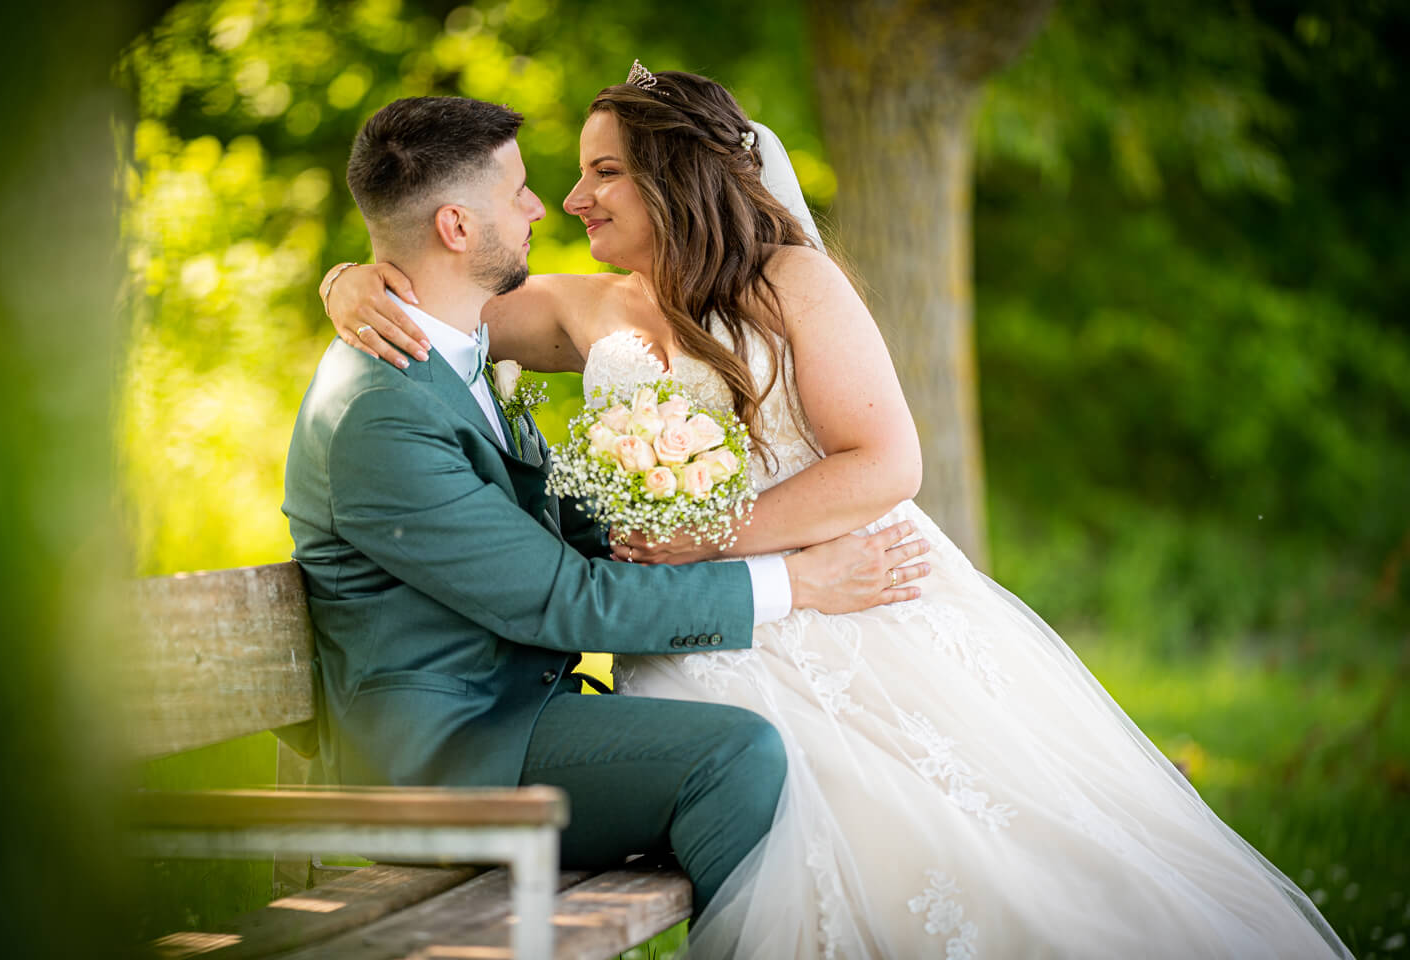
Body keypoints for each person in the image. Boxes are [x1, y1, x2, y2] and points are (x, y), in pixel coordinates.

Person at [323, 70, 1353, 959]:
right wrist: (345, 281)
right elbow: (434, 298)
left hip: (843, 598)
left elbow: (887, 463)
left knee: (965, 842)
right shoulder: (579, 306)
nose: (571, 198)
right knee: (774, 799)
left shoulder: (790, 281)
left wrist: (711, 541)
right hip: (690, 631)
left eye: (604, 172)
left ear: (674, 179)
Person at [282, 94, 933, 922]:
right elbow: (562, 598)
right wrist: (796, 583)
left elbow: (564, 531)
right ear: (456, 226)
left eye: (600, 172)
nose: (544, 205)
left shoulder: (454, 351)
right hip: (448, 754)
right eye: (518, 191)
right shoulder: (381, 409)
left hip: (513, 709)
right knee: (735, 751)